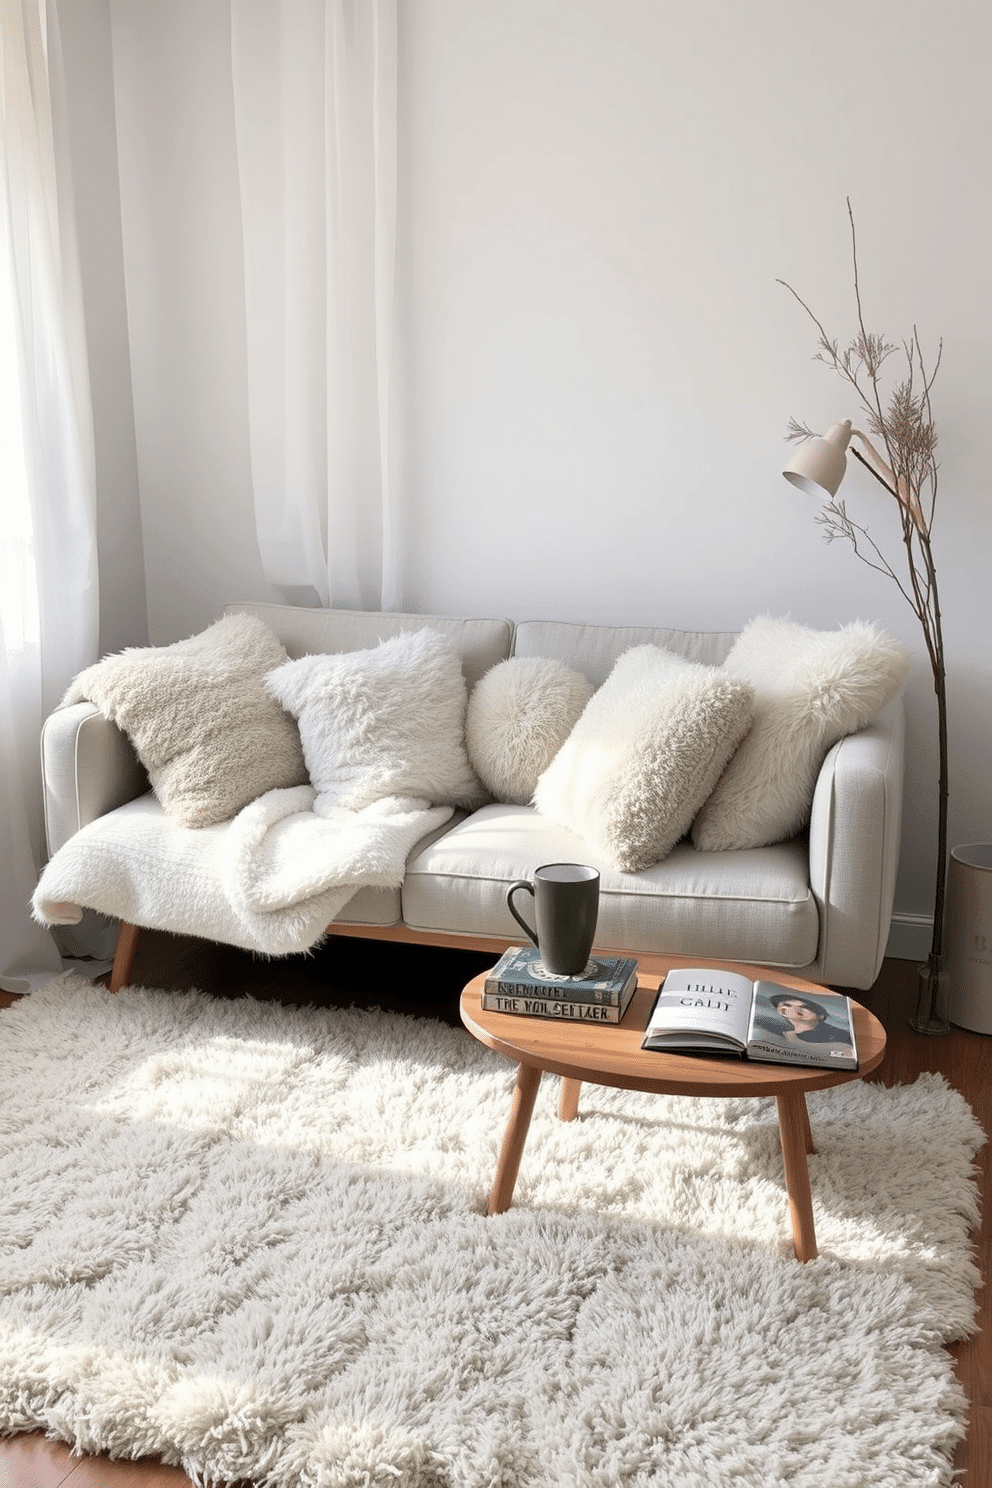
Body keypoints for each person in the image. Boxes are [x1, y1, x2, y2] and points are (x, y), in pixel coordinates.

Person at [754, 992, 854, 1053]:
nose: (798, 1010)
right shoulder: (782, 1035)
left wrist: (797, 1044)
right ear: (783, 1012)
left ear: (821, 1015)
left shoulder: (842, 1035)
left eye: (806, 1007)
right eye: (787, 1006)